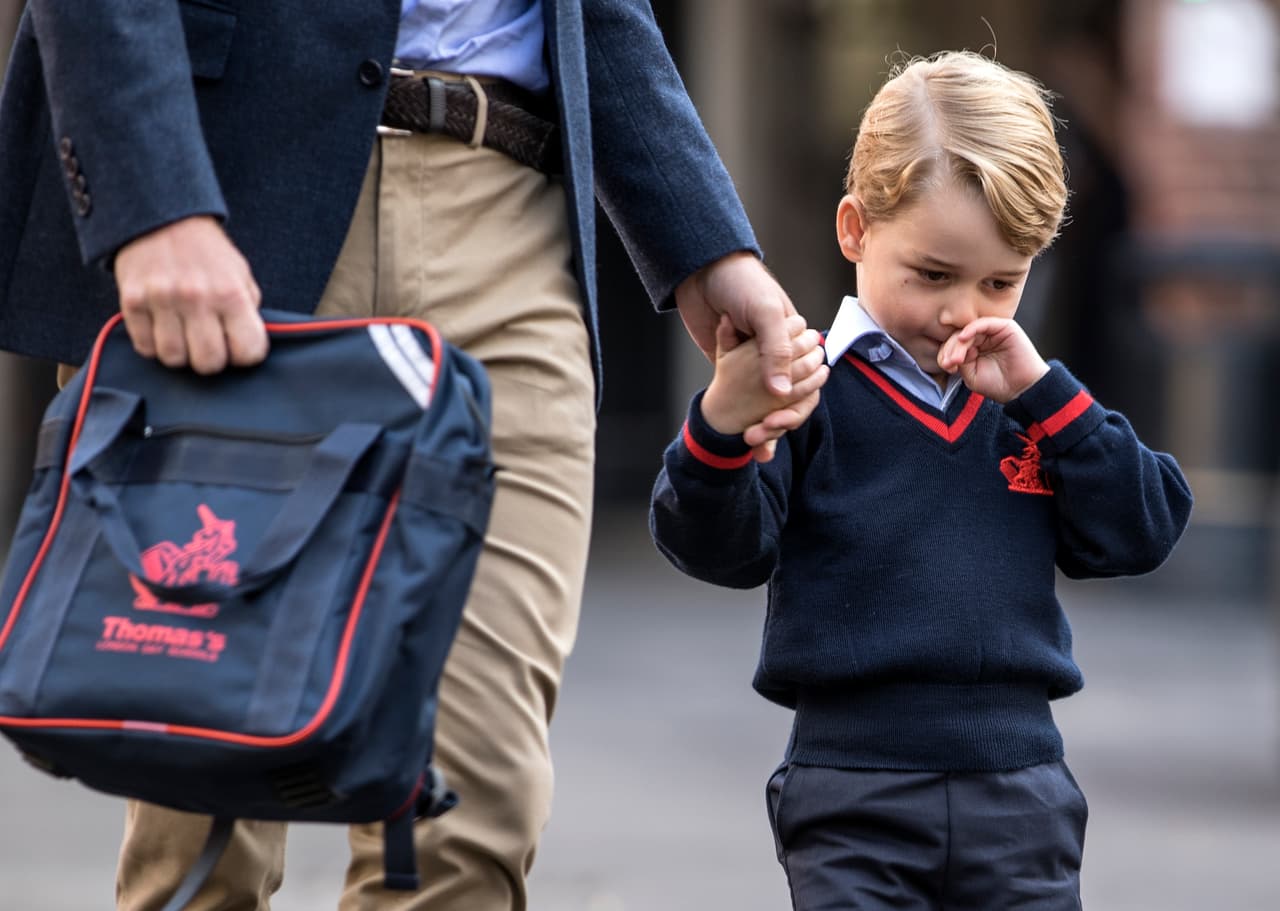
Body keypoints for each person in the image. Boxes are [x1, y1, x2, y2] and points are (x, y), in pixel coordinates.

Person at [0, 2, 827, 909]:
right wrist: (152, 202)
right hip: (232, 196)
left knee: (473, 820)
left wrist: (706, 242)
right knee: (200, 838)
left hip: (508, 212)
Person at [649, 50, 1194, 910]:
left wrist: (1049, 396)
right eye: (934, 274)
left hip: (1022, 790)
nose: (964, 311)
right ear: (856, 230)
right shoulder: (810, 392)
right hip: (850, 790)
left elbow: (1145, 528)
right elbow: (717, 546)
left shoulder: (1033, 402)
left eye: (1002, 282)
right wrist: (722, 424)